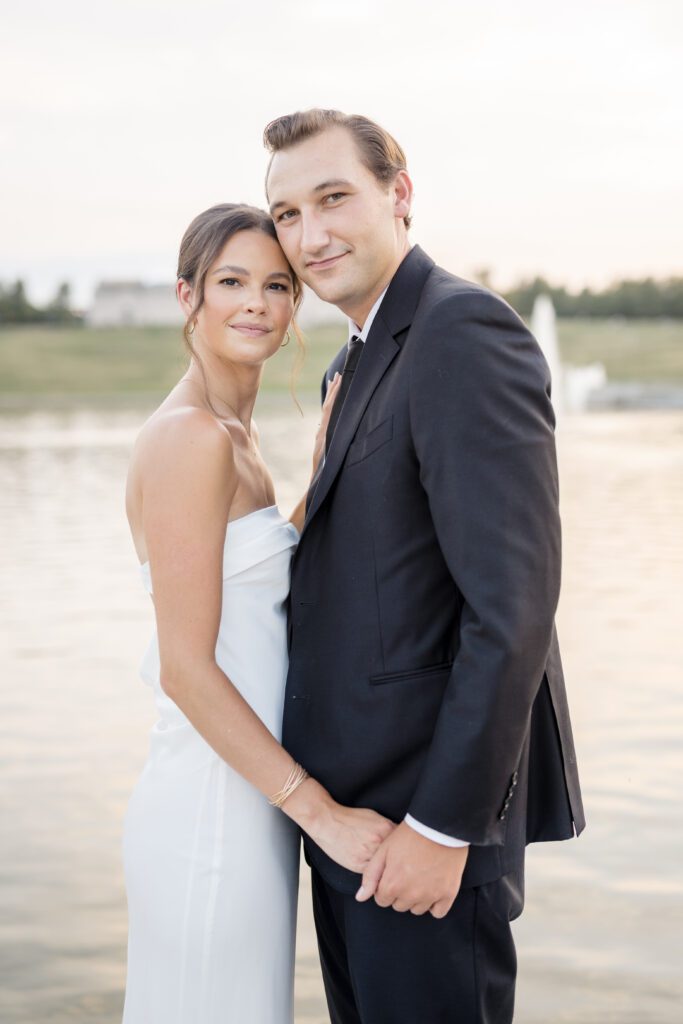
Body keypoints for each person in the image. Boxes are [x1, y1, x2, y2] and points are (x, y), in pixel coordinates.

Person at [265, 109, 586, 1023]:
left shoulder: (461, 330)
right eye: (287, 214)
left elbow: (511, 607)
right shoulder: (354, 360)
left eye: (334, 198)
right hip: (352, 829)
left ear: (398, 194)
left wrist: (443, 829)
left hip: (424, 834)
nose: (310, 236)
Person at [121, 203, 394, 1023]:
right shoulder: (190, 438)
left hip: (252, 790)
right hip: (213, 803)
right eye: (230, 282)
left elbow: (254, 587)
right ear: (187, 297)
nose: (255, 304)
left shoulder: (232, 436)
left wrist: (318, 475)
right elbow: (186, 668)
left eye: (276, 286)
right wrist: (322, 815)